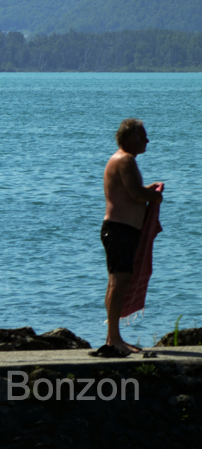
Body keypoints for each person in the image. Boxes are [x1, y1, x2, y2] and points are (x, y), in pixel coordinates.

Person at [98, 118, 163, 356]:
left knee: (117, 282)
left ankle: (112, 339)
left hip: (120, 230)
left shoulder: (123, 159)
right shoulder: (125, 159)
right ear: (129, 138)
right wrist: (155, 196)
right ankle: (114, 339)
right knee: (119, 283)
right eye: (142, 136)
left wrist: (149, 190)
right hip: (119, 230)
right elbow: (136, 194)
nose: (147, 140)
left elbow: (131, 191)